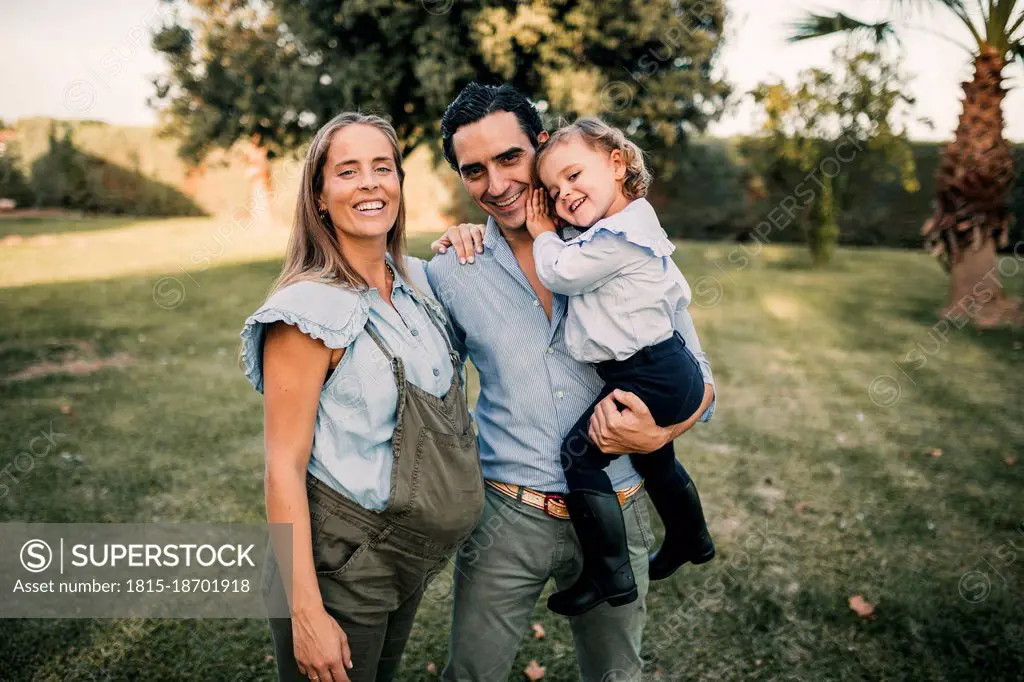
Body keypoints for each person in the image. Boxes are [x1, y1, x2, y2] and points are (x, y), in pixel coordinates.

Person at [425, 83, 717, 682]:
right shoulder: (455, 270)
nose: (498, 184)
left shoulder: (619, 240)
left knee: (616, 676)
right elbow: (431, 381)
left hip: (622, 500)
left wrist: (660, 434)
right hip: (506, 520)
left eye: (510, 159)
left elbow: (702, 382)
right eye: (473, 170)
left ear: (541, 145)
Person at [240, 112, 484, 682]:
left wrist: (472, 234)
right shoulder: (305, 314)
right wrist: (306, 614)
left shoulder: (421, 283)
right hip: (343, 567)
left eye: (383, 167)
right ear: (320, 197)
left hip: (409, 560)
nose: (371, 182)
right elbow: (282, 467)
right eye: (348, 171)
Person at [524, 117, 715, 618]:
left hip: (650, 372)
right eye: (550, 189)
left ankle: (609, 574)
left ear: (616, 162)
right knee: (657, 460)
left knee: (579, 455)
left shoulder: (621, 235)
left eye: (573, 175)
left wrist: (543, 231)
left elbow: (561, 272)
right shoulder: (619, 227)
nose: (563, 194)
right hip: (659, 369)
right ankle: (691, 539)